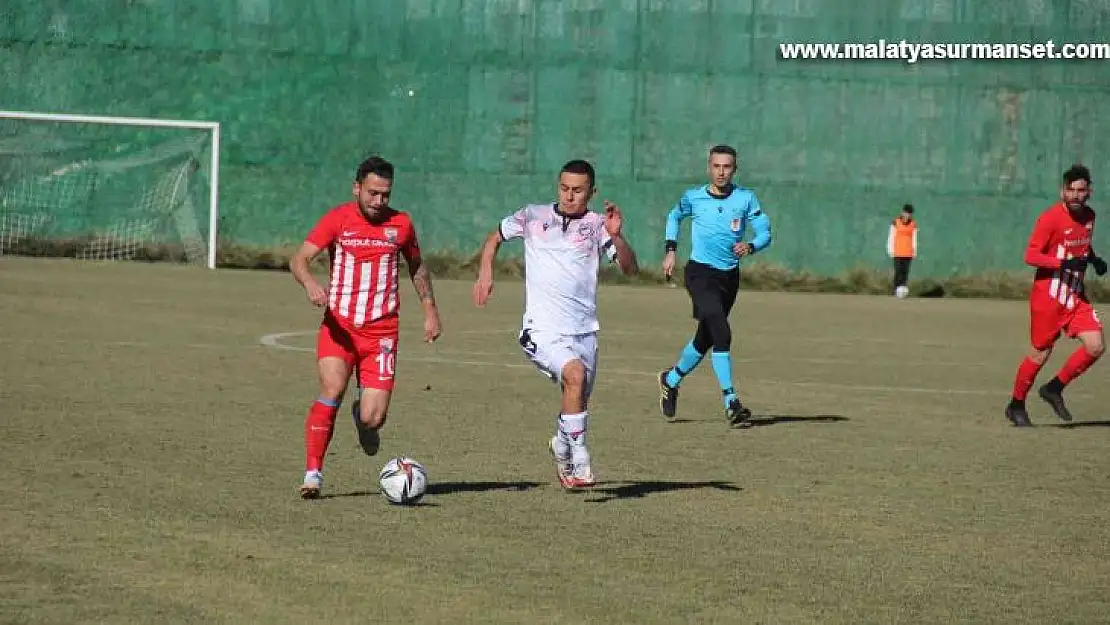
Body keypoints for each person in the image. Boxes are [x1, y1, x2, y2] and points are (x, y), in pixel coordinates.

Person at [472, 159, 639, 489]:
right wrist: (485, 271)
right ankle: (580, 460)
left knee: (577, 398)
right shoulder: (533, 215)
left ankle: (561, 446)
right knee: (574, 375)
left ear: (592, 192)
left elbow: (631, 269)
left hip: (584, 330)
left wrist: (617, 238)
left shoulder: (596, 225)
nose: (569, 195)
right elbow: (495, 237)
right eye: (564, 188)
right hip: (541, 329)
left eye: (578, 190)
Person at [289, 156, 443, 498]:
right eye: (373, 193)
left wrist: (430, 310)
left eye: (385, 194)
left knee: (373, 419)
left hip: (381, 334)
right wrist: (311, 284)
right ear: (357, 188)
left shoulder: (401, 224)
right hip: (339, 328)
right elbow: (298, 259)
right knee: (332, 390)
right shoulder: (337, 219)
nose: (379, 201)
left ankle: (363, 417)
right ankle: (313, 472)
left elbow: (416, 266)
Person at [657, 145, 772, 426]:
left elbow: (765, 231)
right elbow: (674, 216)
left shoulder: (746, 199)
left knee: (705, 338)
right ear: (709, 167)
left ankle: (670, 380)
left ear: (735, 169)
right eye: (716, 166)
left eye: (727, 167)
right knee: (721, 331)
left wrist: (752, 245)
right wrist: (671, 250)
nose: (721, 172)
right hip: (700, 274)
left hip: (728, 278)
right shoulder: (693, 197)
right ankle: (731, 401)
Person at [1005, 164, 1107, 427]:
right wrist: (1063, 265)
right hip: (1048, 298)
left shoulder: (1089, 216)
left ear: (1089, 192)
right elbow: (1031, 255)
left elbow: (1081, 242)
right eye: (1070, 190)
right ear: (1062, 191)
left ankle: (1054, 388)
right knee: (1040, 354)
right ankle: (1016, 404)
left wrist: (1094, 260)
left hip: (1075, 296)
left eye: (1080, 190)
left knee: (1096, 346)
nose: (1075, 195)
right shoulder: (1050, 218)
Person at [887, 204, 917, 298]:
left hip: (908, 252)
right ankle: (896, 291)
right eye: (906, 212)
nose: (907, 215)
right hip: (898, 252)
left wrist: (914, 250)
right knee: (898, 272)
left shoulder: (913, 224)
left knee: (905, 273)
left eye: (909, 213)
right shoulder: (895, 222)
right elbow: (891, 236)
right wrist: (890, 249)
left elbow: (914, 238)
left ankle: (903, 292)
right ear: (902, 212)